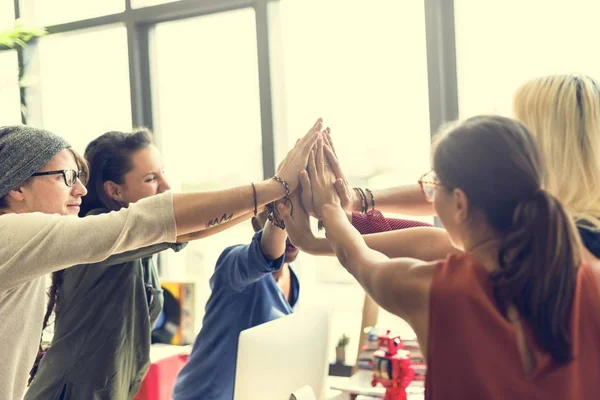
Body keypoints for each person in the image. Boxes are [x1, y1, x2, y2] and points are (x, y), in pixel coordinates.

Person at [0, 119, 320, 400]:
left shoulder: (40, 245)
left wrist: (273, 202)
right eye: (66, 177)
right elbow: (159, 224)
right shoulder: (14, 234)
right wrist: (274, 191)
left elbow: (180, 229)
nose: (80, 189)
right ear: (17, 187)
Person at [282, 116, 600, 399]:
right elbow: (427, 243)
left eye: (434, 188)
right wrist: (333, 218)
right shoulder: (590, 280)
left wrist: (327, 211)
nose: (432, 196)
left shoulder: (438, 292)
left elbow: (359, 259)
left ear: (459, 203)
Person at [25, 130, 253, 399]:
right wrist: (266, 198)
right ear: (114, 190)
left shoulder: (140, 247)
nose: (166, 186)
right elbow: (188, 227)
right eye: (151, 179)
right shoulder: (100, 236)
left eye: (162, 173)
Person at [293, 75, 600, 260]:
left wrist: (319, 239)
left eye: (517, 125)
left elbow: (435, 246)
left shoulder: (561, 243)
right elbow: (453, 190)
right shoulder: (553, 217)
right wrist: (356, 203)